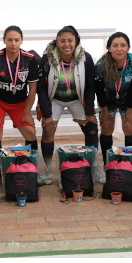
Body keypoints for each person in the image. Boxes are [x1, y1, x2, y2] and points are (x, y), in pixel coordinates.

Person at [37, 26, 98, 185]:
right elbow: (41, 89)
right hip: (54, 98)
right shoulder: (47, 58)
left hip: (77, 98)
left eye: (70, 40)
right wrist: (47, 114)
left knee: (91, 127)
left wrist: (89, 111)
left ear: (76, 41)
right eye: (62, 41)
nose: (66, 44)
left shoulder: (86, 58)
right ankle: (49, 172)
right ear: (56, 43)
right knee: (48, 128)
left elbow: (91, 87)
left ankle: (93, 169)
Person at [0, 26, 39, 187]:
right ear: (4, 41)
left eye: (16, 40)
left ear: (21, 41)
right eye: (10, 39)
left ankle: (31, 169)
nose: (13, 43)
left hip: (20, 103)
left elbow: (33, 88)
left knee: (30, 131)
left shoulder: (30, 59)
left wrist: (28, 112)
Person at [95, 32, 132, 164]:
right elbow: (98, 90)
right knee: (106, 127)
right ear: (109, 48)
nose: (119, 49)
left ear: (128, 47)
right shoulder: (101, 64)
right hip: (108, 98)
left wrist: (129, 111)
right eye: (115, 46)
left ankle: (130, 164)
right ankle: (107, 164)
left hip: (128, 97)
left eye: (123, 45)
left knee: (129, 126)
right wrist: (104, 111)